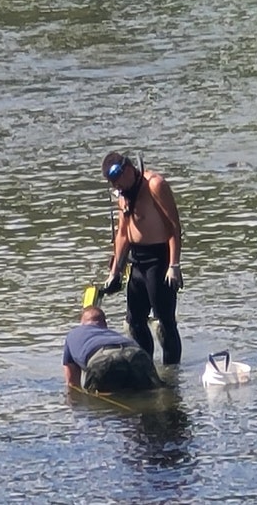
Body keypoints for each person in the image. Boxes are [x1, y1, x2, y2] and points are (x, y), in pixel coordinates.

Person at [99, 151, 184, 365]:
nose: (117, 187)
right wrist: (115, 271)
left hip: (159, 259)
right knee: (135, 321)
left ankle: (172, 375)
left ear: (129, 169)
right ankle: (146, 367)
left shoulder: (155, 185)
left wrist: (174, 264)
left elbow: (173, 227)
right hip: (137, 260)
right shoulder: (123, 194)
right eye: (112, 184)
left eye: (118, 181)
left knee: (165, 322)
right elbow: (122, 233)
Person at [62, 306, 164, 393]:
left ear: (82, 322)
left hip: (103, 358)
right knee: (152, 391)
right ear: (104, 324)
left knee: (97, 400)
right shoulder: (112, 333)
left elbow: (72, 383)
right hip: (135, 352)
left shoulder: (73, 334)